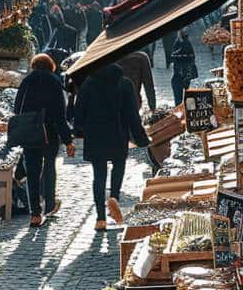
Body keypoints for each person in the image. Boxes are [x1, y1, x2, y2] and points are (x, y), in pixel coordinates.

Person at [74, 62, 150, 230]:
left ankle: (100, 218)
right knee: (118, 166)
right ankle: (114, 198)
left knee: (98, 174)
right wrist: (141, 138)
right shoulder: (124, 83)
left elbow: (78, 112)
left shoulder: (89, 83)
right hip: (118, 134)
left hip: (95, 135)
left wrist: (79, 130)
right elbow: (132, 115)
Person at [13, 53, 74, 227]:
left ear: (34, 65)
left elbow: (17, 108)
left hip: (30, 133)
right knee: (49, 168)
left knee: (32, 172)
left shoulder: (26, 81)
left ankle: (35, 214)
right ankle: (49, 205)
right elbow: (60, 115)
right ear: (51, 66)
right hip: (50, 133)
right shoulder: (55, 82)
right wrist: (68, 140)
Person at [170, 29, 198, 105]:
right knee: (183, 98)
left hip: (182, 75)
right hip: (184, 74)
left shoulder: (182, 42)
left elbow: (175, 57)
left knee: (179, 99)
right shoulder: (183, 42)